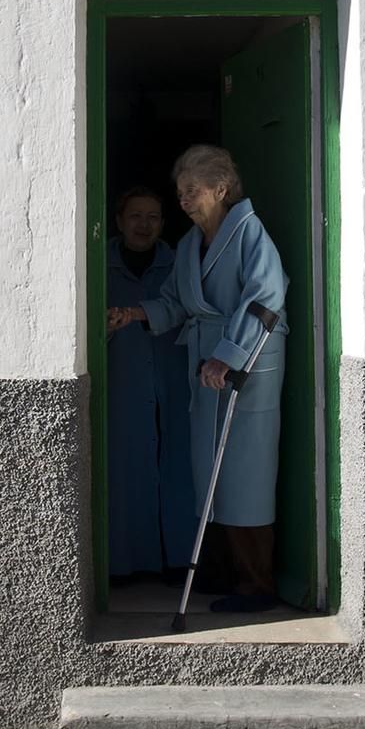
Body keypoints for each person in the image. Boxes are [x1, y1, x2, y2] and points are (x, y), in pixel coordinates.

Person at [107, 144, 288, 613]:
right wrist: (133, 313)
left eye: (193, 191)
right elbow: (174, 302)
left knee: (245, 470)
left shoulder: (250, 234)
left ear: (220, 190)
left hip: (248, 364)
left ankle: (257, 584)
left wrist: (227, 356)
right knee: (209, 468)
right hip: (206, 366)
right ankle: (221, 570)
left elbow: (266, 298)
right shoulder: (190, 245)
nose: (184, 200)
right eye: (181, 191)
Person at [105, 187, 196, 581]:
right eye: (136, 216)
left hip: (173, 382)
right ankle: (125, 565)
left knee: (179, 469)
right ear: (119, 221)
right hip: (122, 383)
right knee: (125, 469)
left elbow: (191, 310)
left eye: (153, 217)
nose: (144, 225)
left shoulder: (179, 264)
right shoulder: (97, 264)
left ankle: (179, 562)